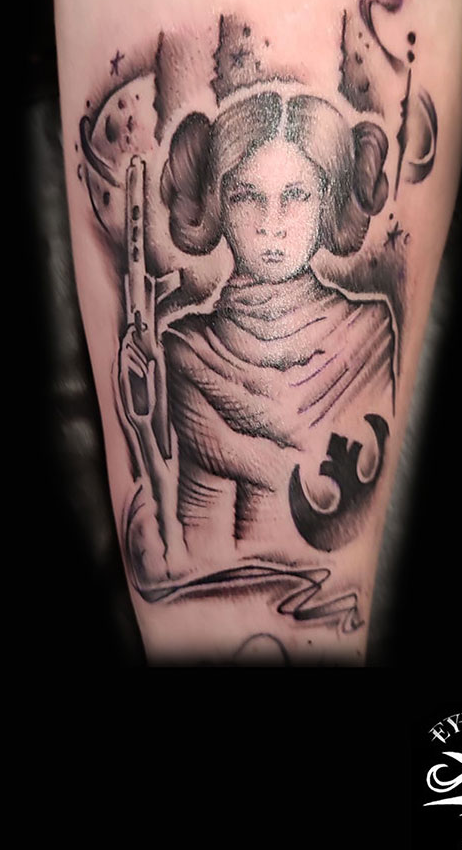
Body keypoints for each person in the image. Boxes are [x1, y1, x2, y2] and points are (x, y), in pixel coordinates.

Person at [119, 87, 397, 582]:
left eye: (296, 196)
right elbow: (172, 519)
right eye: (247, 196)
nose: (272, 225)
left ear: (327, 200)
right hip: (200, 593)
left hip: (319, 598)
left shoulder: (369, 334)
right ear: (217, 204)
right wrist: (141, 418)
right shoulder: (183, 349)